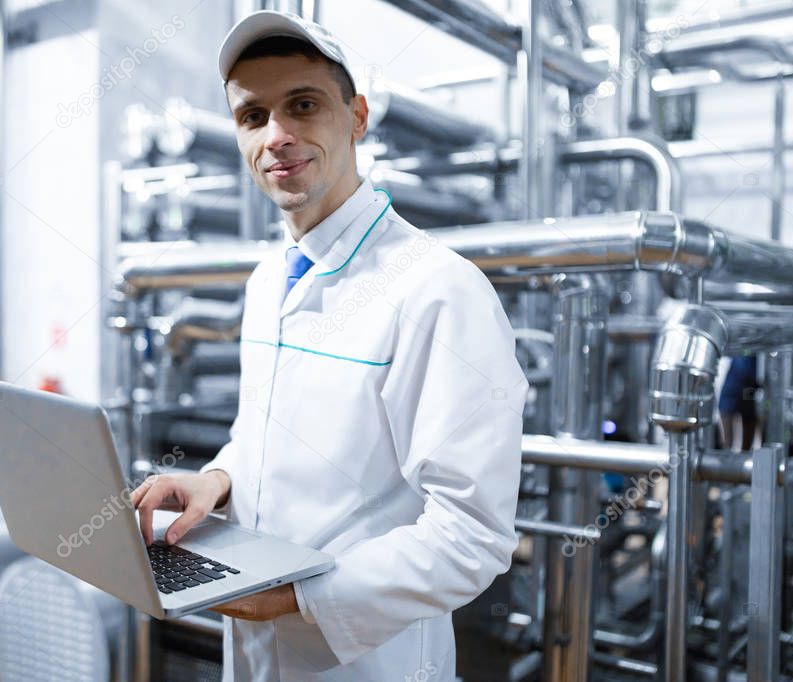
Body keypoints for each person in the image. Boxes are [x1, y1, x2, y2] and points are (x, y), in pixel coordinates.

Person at [130, 10, 527, 680]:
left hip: (372, 661)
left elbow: (472, 534)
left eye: (303, 106)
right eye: (252, 117)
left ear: (357, 117)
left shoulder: (437, 289)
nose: (276, 136)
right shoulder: (268, 281)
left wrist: (292, 597)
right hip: (257, 654)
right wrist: (218, 480)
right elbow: (266, 439)